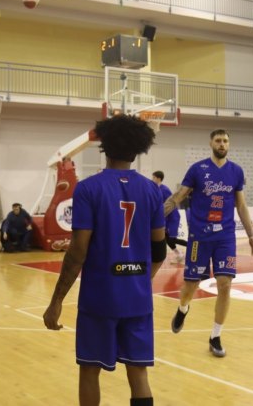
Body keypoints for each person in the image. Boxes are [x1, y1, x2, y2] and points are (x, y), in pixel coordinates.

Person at [43, 114, 166, 406]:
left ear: (105, 146)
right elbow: (159, 250)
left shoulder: (88, 189)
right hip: (137, 299)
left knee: (89, 370)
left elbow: (77, 252)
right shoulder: (153, 190)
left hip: (100, 297)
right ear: (138, 149)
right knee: (138, 374)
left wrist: (57, 300)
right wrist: (139, 280)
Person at [165, 129, 253, 358]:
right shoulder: (198, 169)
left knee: (225, 284)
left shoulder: (236, 171)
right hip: (199, 236)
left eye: (226, 140)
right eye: (218, 140)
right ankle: (183, 309)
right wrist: (160, 213)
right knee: (190, 286)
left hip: (225, 237)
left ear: (229, 144)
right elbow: (179, 196)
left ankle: (215, 336)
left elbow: (241, 206)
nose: (222, 144)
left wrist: (252, 234)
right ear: (211, 143)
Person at [152, 170, 185, 264]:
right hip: (166, 217)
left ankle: (192, 247)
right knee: (167, 239)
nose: (152, 179)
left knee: (172, 239)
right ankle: (179, 255)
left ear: (158, 179)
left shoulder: (164, 189)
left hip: (172, 217)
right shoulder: (157, 189)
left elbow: (169, 205)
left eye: (153, 177)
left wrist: (165, 221)